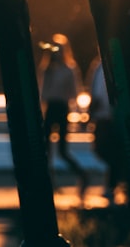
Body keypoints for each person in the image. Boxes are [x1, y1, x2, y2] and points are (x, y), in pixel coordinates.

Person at [39, 33, 89, 200]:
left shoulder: (69, 69)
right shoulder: (47, 69)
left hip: (62, 108)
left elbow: (75, 93)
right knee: (45, 149)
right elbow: (42, 93)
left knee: (61, 150)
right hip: (51, 108)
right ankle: (49, 183)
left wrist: (81, 114)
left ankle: (82, 174)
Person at [87, 57, 126, 202]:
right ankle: (120, 179)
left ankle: (114, 183)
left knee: (107, 150)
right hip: (103, 115)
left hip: (109, 116)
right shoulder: (99, 67)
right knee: (106, 150)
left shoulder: (107, 67)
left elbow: (99, 92)